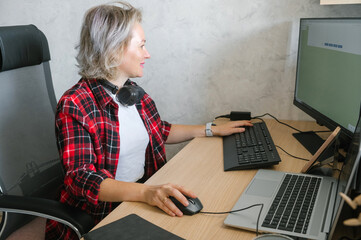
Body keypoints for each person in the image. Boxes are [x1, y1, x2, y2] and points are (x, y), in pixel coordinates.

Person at [45, 2, 252, 239]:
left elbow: (159, 130)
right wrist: (146, 193)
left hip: (139, 195)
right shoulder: (75, 103)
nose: (147, 54)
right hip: (99, 214)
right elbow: (81, 177)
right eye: (141, 46)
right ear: (114, 49)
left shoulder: (131, 91)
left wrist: (211, 130)